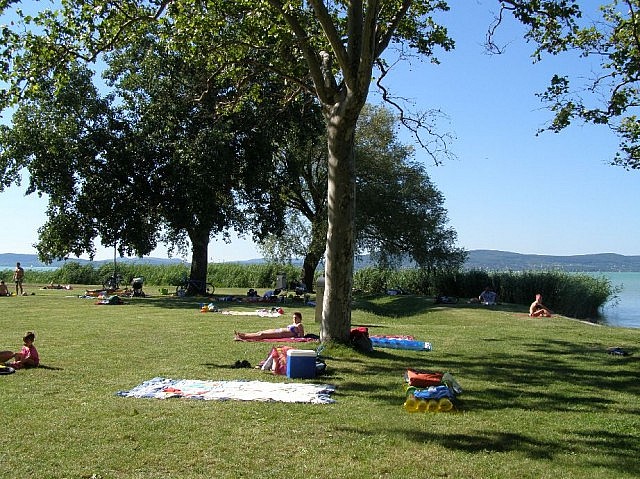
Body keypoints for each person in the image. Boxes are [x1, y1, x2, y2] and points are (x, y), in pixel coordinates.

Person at [234, 311, 305, 340]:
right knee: (260, 332)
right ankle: (244, 334)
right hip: (278, 330)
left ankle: (243, 337)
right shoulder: (294, 324)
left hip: (280, 334)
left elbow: (302, 336)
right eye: (293, 318)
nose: (294, 319)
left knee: (262, 335)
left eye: (296, 318)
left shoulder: (299, 325)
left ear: (300, 318)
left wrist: (294, 337)